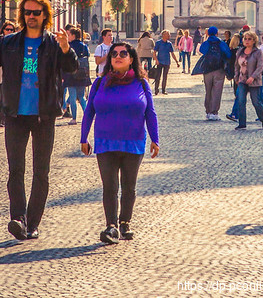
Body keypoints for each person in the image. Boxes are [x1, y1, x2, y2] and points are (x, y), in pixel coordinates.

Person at [0, 0, 77, 240]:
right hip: (15, 115)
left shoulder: (52, 44)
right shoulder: (10, 43)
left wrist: (65, 48)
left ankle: (32, 223)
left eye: (36, 13)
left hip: (44, 115)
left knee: (41, 172)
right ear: (22, 15)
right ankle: (18, 218)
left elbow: (71, 67)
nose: (31, 16)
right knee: (15, 171)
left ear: (45, 15)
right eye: (27, 12)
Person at [80, 41, 159, 244]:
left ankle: (125, 222)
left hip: (133, 142)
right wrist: (84, 137)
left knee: (129, 186)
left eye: (123, 53)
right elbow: (89, 111)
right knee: (110, 186)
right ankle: (111, 225)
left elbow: (150, 112)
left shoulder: (141, 84)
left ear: (131, 59)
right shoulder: (99, 83)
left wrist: (155, 139)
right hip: (105, 142)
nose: (118, 56)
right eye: (114, 53)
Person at [233, 31, 263, 131]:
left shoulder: (258, 52)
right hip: (242, 80)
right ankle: (242, 123)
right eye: (245, 39)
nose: (246, 41)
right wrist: (236, 77)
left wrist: (252, 77)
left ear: (254, 41)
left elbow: (260, 67)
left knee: (256, 102)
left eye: (249, 39)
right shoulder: (240, 51)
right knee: (240, 100)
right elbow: (236, 65)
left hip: (254, 81)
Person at [199, 25, 232, 120]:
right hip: (219, 69)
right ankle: (214, 112)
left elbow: (201, 51)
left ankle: (208, 111)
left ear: (208, 34)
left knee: (208, 91)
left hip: (207, 70)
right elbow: (228, 54)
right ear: (217, 33)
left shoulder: (206, 43)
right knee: (217, 91)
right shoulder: (221, 43)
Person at [64, 26, 91, 125]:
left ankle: (74, 118)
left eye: (69, 35)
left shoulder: (69, 46)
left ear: (74, 36)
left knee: (72, 96)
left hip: (71, 73)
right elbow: (87, 57)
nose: (68, 36)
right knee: (81, 97)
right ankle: (87, 116)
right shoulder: (84, 45)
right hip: (82, 73)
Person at [152, 29, 180, 95]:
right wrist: (156, 60)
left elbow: (172, 53)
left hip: (167, 62)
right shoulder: (158, 43)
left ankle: (163, 90)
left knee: (165, 77)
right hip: (160, 62)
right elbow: (154, 52)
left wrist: (176, 62)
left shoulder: (169, 44)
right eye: (168, 34)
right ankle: (156, 90)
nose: (169, 36)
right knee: (158, 76)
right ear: (163, 35)